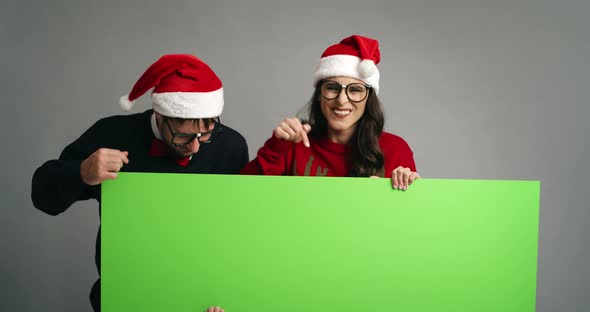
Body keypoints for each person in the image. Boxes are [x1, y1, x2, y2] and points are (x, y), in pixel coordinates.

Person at [31, 54, 248, 311]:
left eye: (206, 134)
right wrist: (81, 172)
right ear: (158, 115)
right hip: (125, 297)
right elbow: (43, 196)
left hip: (202, 301)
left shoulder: (231, 146)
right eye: (184, 136)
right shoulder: (112, 134)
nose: (196, 147)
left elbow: (240, 233)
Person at [241, 35, 419, 188]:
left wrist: (407, 190)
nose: (342, 100)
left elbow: (406, 219)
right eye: (332, 88)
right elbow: (240, 194)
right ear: (319, 94)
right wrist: (276, 147)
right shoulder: (293, 144)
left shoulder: (395, 149)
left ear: (368, 98)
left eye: (355, 90)